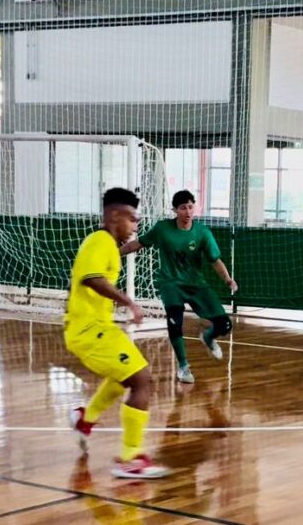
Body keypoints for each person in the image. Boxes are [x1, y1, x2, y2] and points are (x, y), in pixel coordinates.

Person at [65, 187, 169, 479]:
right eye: (133, 220)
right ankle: (130, 457)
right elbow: (92, 279)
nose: (136, 227)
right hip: (88, 331)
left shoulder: (106, 245)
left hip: (98, 328)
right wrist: (129, 302)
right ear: (114, 215)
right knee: (141, 379)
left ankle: (86, 419)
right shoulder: (100, 241)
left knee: (127, 376)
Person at [120, 189, 237, 383]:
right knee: (175, 322)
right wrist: (114, 252)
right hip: (170, 284)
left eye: (191, 207)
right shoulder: (163, 229)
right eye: (183, 208)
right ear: (175, 210)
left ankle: (208, 337)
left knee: (224, 325)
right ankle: (183, 367)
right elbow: (137, 244)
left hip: (196, 285)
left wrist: (227, 279)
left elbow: (215, 260)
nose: (188, 212)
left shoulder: (202, 233)